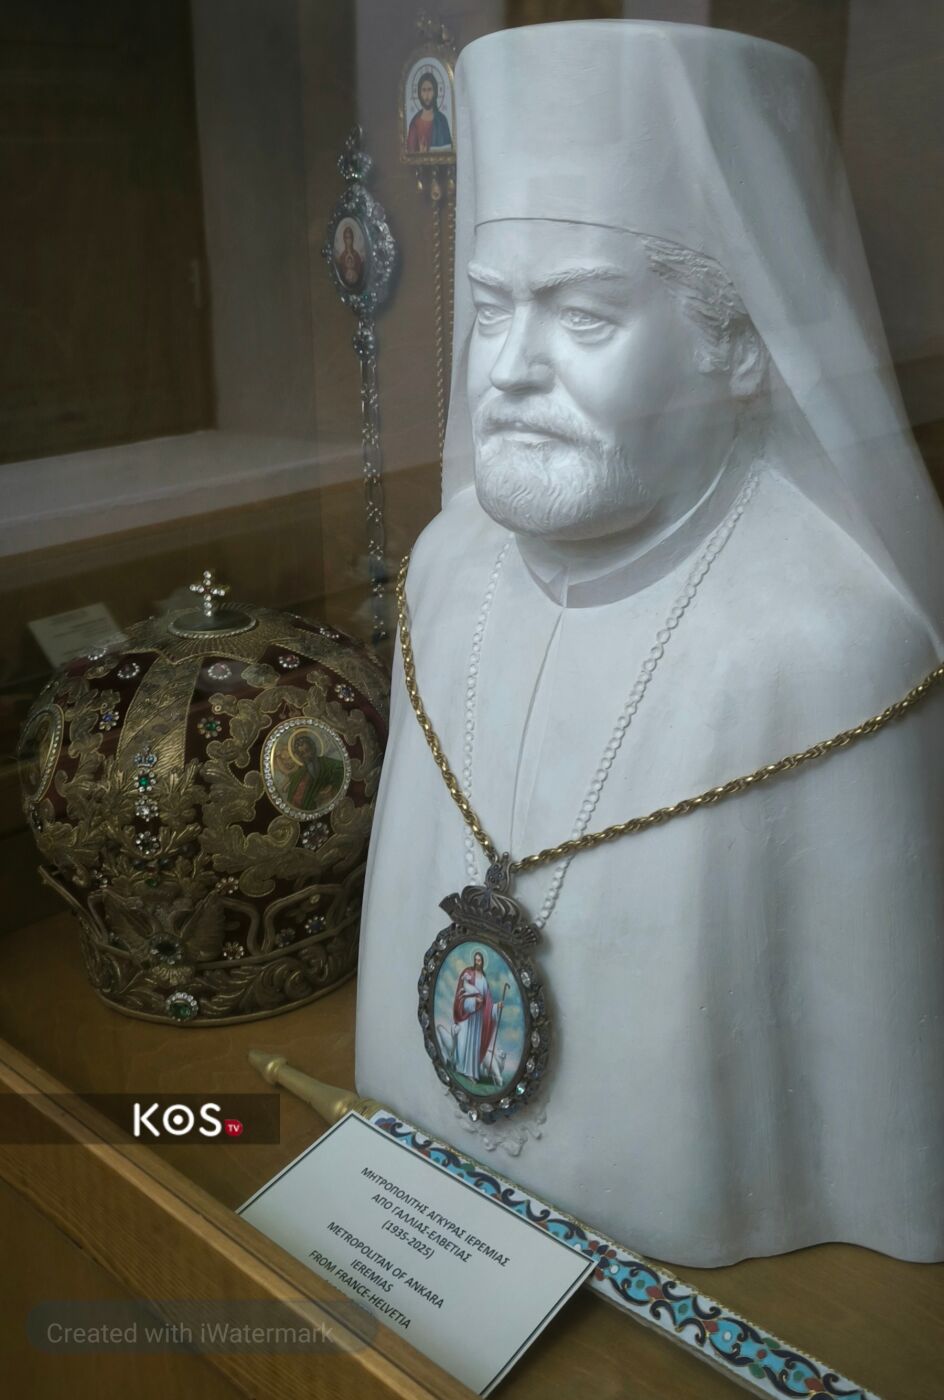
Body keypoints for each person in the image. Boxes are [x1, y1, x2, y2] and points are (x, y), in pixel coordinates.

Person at [357, 21, 944, 1267]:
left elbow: (884, 1113)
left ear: (737, 348)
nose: (508, 371)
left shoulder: (829, 644)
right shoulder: (446, 569)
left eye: (582, 317)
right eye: (490, 310)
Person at [452, 950, 504, 1082]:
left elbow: (488, 1002)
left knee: (475, 1045)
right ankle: (463, 1069)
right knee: (466, 1043)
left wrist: (496, 1007)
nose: (477, 962)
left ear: (483, 962)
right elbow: (461, 996)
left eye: (479, 960)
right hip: (469, 1016)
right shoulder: (469, 974)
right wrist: (474, 1001)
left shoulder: (484, 980)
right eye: (475, 960)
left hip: (479, 1018)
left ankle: (472, 1073)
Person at [406, 70, 452, 152]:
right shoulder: (415, 123)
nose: (427, 95)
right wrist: (421, 154)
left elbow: (448, 149)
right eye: (424, 90)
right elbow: (410, 152)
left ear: (435, 92)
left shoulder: (442, 120)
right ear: (419, 93)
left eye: (430, 90)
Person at [335, 224, 363, 289]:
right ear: (344, 239)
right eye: (346, 237)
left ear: (352, 239)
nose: (348, 240)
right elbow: (341, 272)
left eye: (350, 237)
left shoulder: (356, 255)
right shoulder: (342, 256)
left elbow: (360, 271)